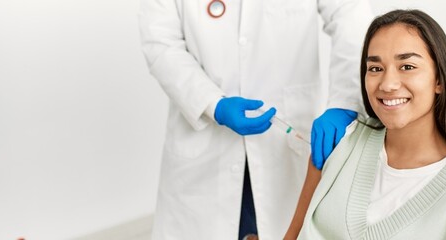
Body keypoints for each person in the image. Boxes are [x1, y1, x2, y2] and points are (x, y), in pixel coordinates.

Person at [138, 0, 372, 239]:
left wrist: (345, 101)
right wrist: (212, 103)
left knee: (288, 228)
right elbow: (160, 43)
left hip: (285, 143)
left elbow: (351, 16)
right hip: (204, 148)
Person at [286, 9, 446, 239]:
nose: (388, 84)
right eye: (375, 68)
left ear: (439, 80)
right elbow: (293, 234)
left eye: (407, 67)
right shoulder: (340, 142)